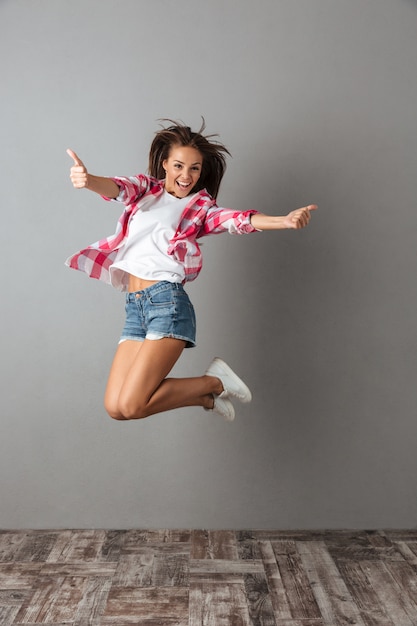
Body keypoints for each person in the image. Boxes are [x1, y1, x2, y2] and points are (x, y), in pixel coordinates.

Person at [66, 119, 317, 422]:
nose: (186, 176)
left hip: (166, 303)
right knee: (115, 408)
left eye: (195, 169)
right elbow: (117, 188)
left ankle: (215, 382)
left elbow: (237, 220)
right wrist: (88, 179)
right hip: (136, 307)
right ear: (165, 164)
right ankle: (207, 399)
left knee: (132, 404)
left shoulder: (200, 209)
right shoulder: (145, 191)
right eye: (179, 166)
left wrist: (284, 221)